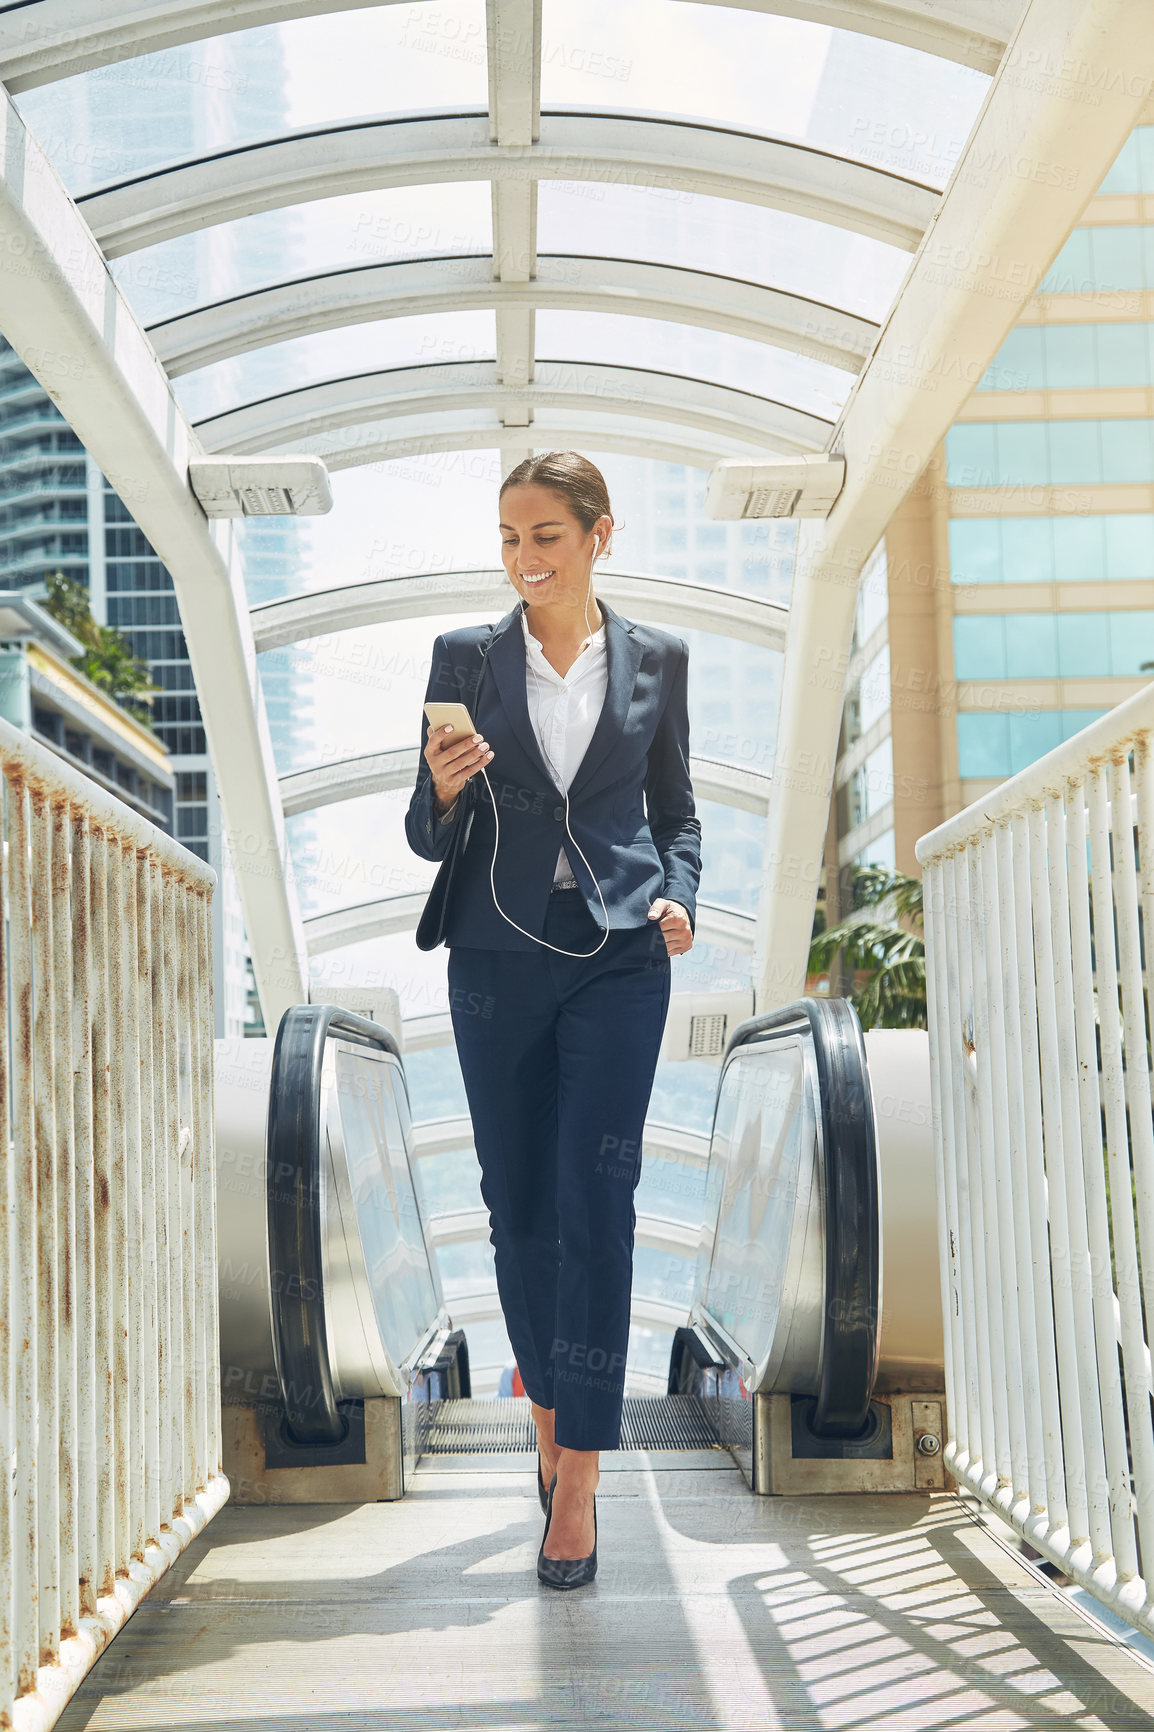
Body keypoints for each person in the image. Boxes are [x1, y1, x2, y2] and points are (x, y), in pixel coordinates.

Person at [405, 451, 701, 1588]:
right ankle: (543, 1416)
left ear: (598, 535)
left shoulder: (658, 662)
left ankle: (577, 1475)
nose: (525, 559)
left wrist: (676, 891)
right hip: (495, 959)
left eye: (546, 537)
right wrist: (441, 786)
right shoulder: (463, 660)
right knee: (518, 1207)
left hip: (620, 958)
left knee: (598, 1199)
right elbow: (424, 835)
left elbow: (673, 811)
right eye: (509, 538)